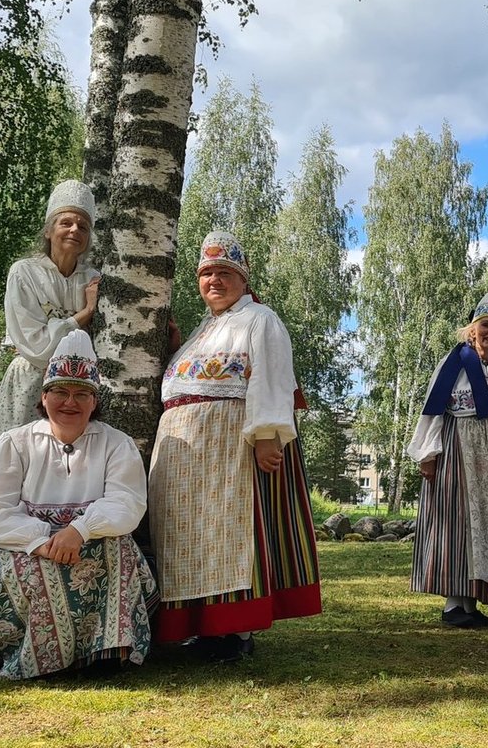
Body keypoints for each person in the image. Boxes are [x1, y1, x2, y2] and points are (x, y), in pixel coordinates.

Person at [148, 231, 321, 662]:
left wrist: (267, 436)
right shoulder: (203, 329)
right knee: (190, 543)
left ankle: (234, 632)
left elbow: (272, 377)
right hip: (186, 460)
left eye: (224, 273)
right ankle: (200, 628)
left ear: (243, 280)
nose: (214, 281)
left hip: (230, 451)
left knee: (230, 539)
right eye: (206, 273)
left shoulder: (259, 319)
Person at [0, 330, 156, 680]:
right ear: (43, 397)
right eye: (59, 391)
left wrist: (79, 531)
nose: (69, 402)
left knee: (114, 550)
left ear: (94, 401)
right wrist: (42, 540)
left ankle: (104, 652)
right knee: (31, 567)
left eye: (81, 394)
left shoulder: (117, 444)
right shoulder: (14, 443)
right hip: (27, 544)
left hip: (91, 540)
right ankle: (33, 656)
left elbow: (127, 503)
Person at [0, 179, 102, 607]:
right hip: (29, 382)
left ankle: (70, 567)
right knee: (12, 467)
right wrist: (82, 316)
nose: (74, 231)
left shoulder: (97, 278)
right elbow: (32, 344)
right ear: (50, 229)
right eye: (66, 222)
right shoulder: (25, 273)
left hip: (78, 391)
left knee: (72, 472)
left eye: (83, 226)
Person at [407, 291, 488, 628]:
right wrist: (427, 453)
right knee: (461, 523)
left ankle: (470, 605)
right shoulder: (454, 364)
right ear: (471, 329)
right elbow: (432, 410)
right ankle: (452, 605)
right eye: (485, 325)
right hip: (461, 448)